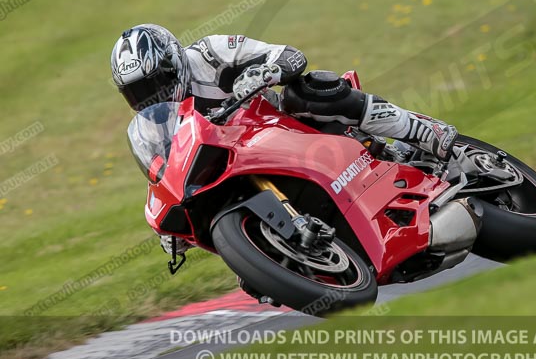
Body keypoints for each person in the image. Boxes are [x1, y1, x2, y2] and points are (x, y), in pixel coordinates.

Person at [111, 24, 459, 264]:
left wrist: (264, 73)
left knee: (311, 90)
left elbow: (291, 56)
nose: (149, 96)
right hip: (235, 165)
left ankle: (423, 131)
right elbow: (162, 173)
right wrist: (169, 229)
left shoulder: (210, 53)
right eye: (137, 92)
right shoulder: (157, 123)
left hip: (282, 128)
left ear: (174, 63)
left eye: (155, 83)